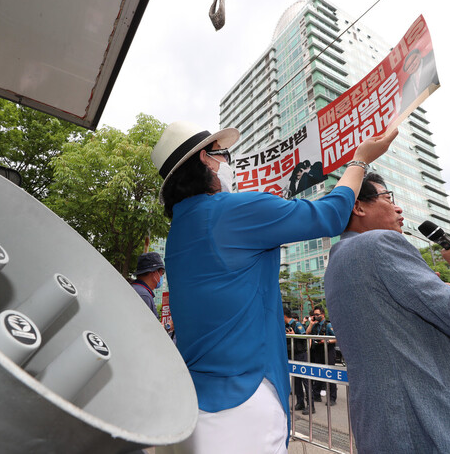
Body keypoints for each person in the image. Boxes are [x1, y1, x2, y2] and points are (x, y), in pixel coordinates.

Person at [150, 120, 397, 453]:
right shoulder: (231, 211)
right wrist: (359, 160)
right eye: (224, 155)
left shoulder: (180, 228)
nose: (228, 164)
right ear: (206, 160)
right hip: (243, 404)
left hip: (193, 403)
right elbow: (331, 214)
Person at [324, 172, 450, 453]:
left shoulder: (339, 259)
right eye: (388, 198)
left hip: (383, 426)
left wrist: (440, 293)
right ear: (358, 207)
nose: (398, 207)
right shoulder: (380, 242)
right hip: (436, 425)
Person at [305, 306, 337, 412]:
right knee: (317, 373)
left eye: (318, 314)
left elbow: (336, 338)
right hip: (317, 351)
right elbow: (307, 333)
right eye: (314, 314)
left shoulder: (328, 325)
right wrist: (311, 323)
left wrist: (325, 341)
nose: (316, 316)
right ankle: (316, 395)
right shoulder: (314, 325)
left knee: (330, 374)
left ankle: (332, 398)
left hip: (328, 351)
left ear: (323, 314)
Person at [284, 310, 309, 412]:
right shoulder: (284, 325)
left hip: (300, 355)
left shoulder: (297, 324)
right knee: (296, 381)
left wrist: (294, 334)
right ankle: (300, 403)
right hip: (292, 355)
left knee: (305, 380)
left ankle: (311, 405)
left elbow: (304, 337)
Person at [131, 252, 165, 320]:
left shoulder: (135, 289)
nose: (162, 276)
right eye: (162, 272)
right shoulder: (144, 296)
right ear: (154, 272)